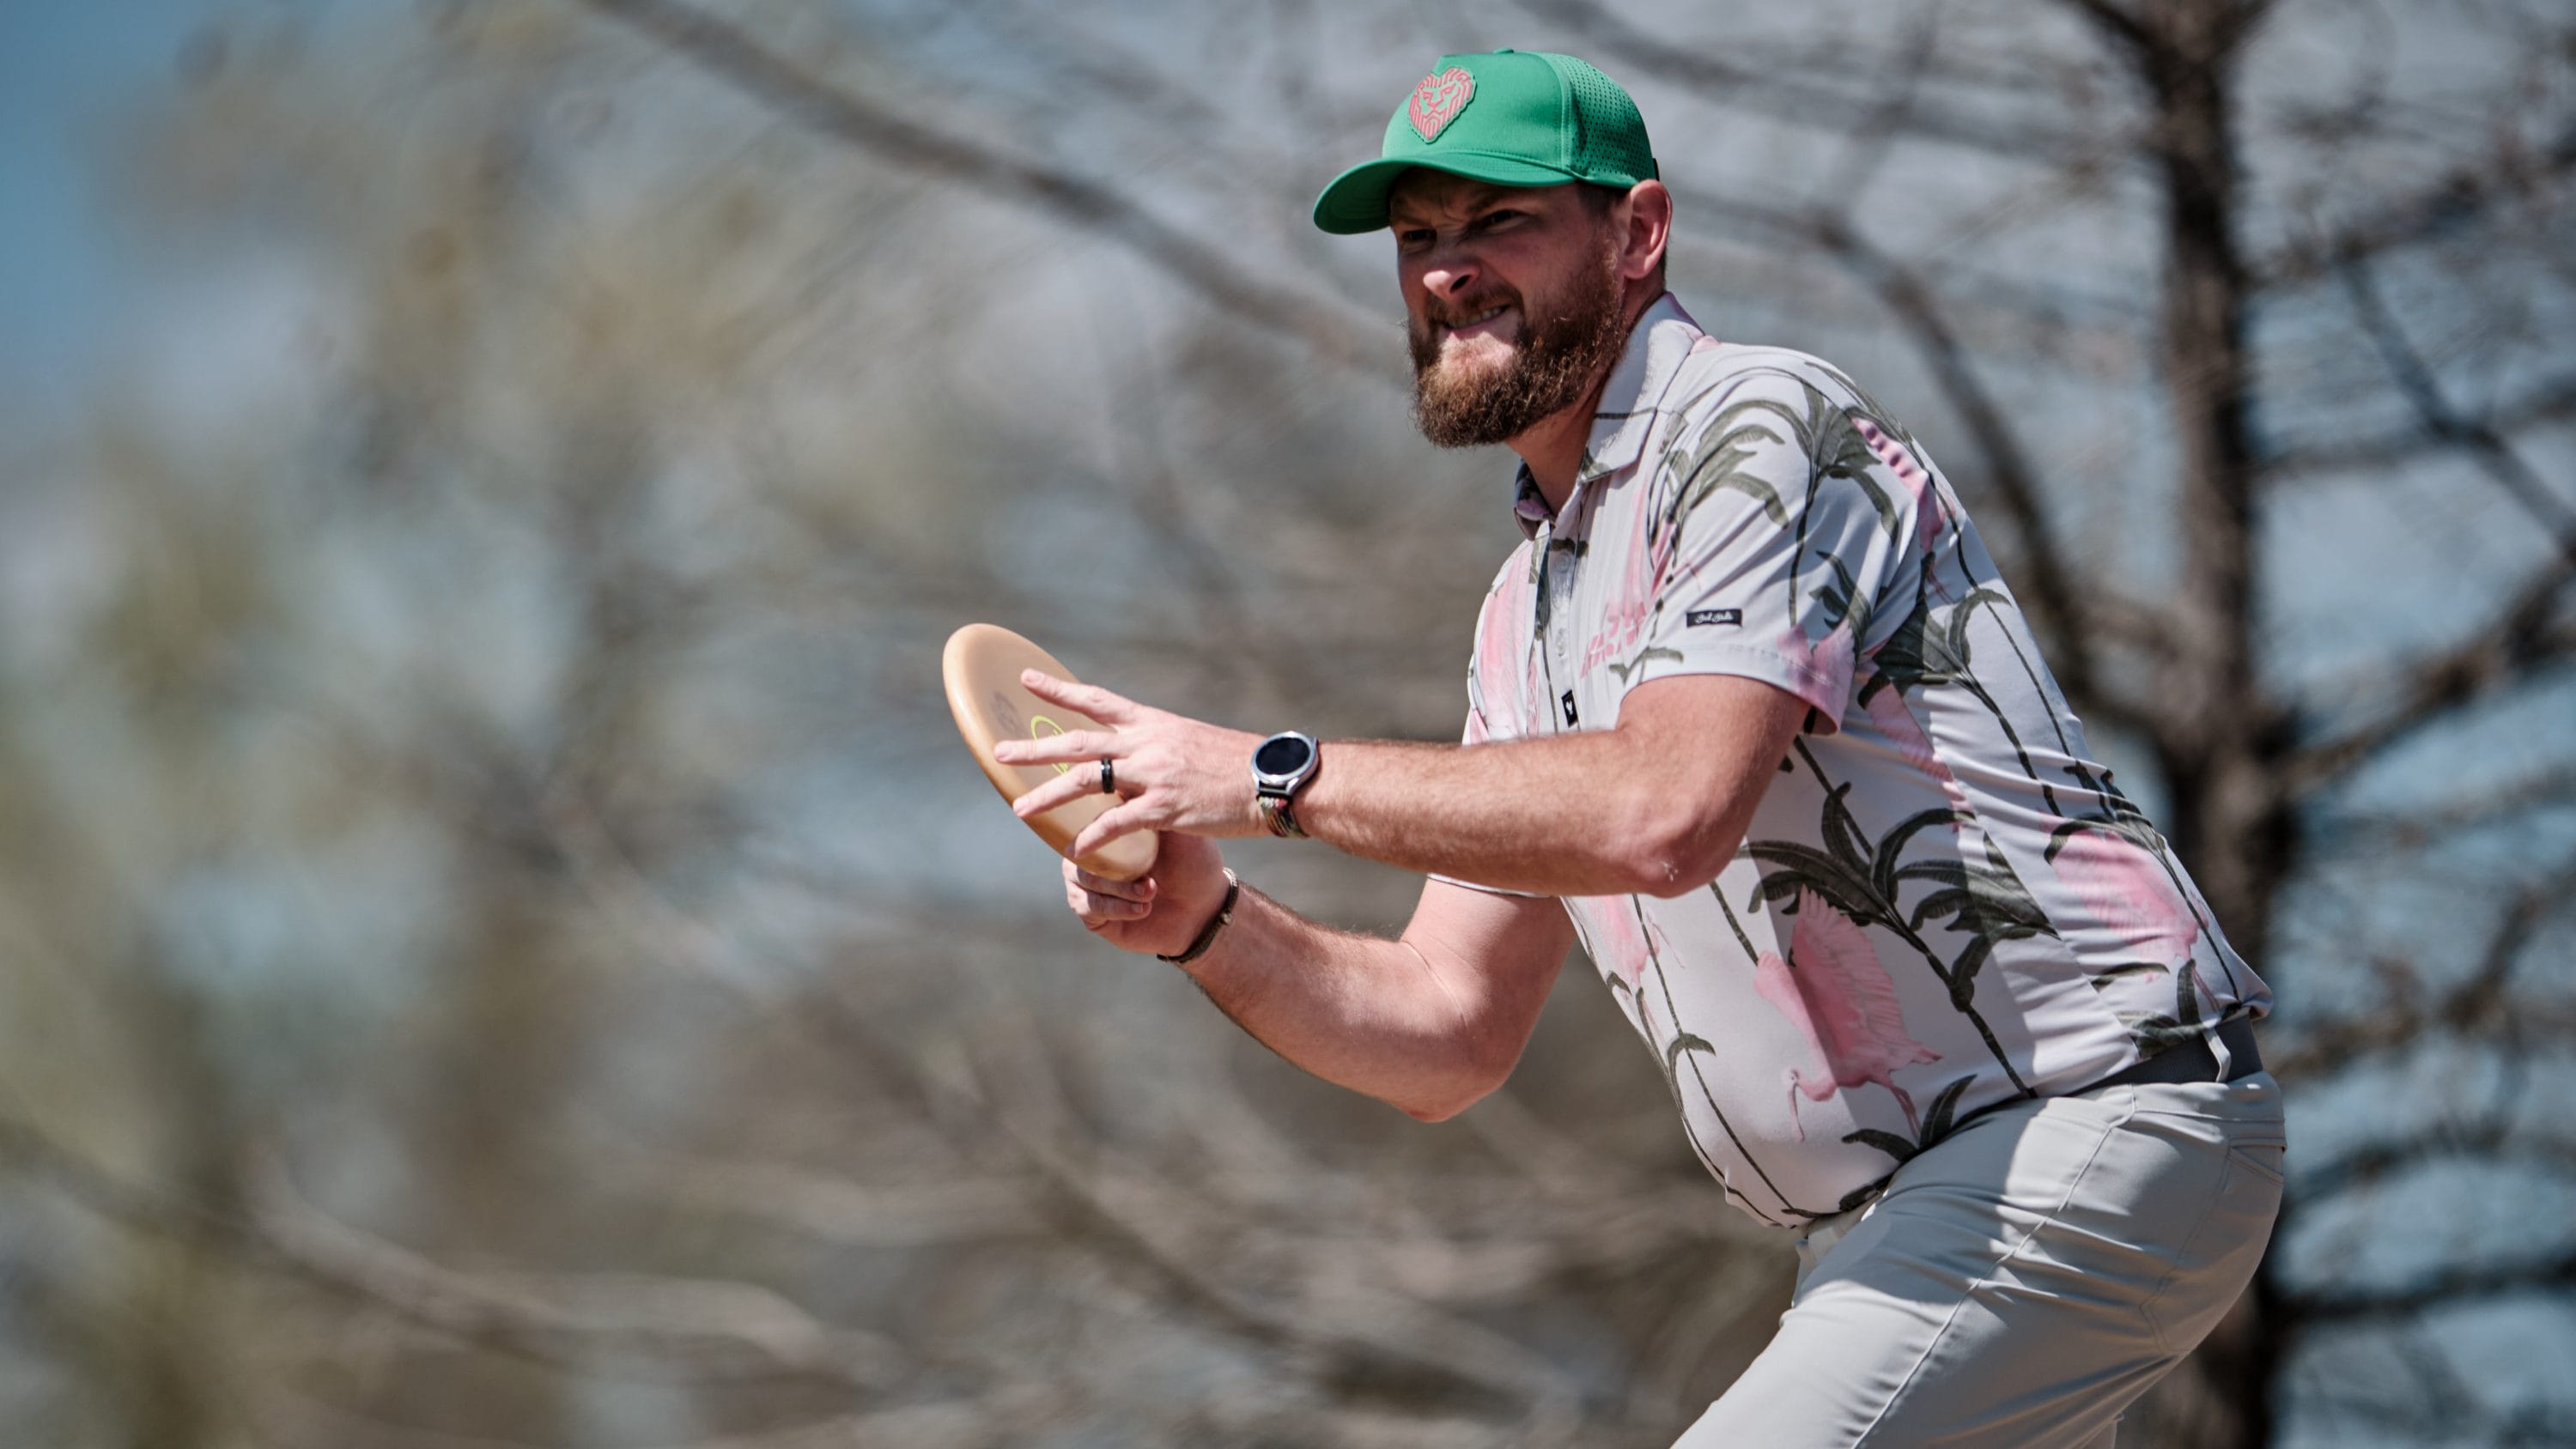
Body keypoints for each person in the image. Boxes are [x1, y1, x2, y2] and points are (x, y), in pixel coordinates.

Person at [991, 48, 2282, 1448]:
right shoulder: (1521, 616)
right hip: (1895, 1225)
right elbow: (1446, 1033)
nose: (1444, 271)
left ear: (1639, 232)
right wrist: (1209, 922)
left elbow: (1666, 814)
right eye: (1418, 237)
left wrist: (1266, 778)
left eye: (1500, 222)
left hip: (2069, 1144)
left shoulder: (1754, 425)